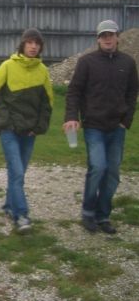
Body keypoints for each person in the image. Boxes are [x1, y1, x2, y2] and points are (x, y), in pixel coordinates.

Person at [63, 19, 138, 234]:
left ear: (117, 37)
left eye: (111, 35)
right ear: (97, 39)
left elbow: (133, 93)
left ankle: (103, 215)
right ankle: (88, 212)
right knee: (98, 167)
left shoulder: (128, 63)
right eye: (103, 35)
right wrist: (71, 116)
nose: (107, 39)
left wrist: (126, 121)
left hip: (117, 127)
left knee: (112, 172)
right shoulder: (87, 62)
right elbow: (74, 91)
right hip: (94, 125)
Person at [0, 28, 53, 233]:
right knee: (16, 172)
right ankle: (21, 215)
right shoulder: (7, 66)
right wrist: (5, 123)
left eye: (37, 43)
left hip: (29, 132)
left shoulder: (42, 71)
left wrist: (39, 127)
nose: (33, 46)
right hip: (10, 131)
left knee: (19, 173)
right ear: (23, 44)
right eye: (30, 42)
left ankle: (9, 205)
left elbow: (47, 103)